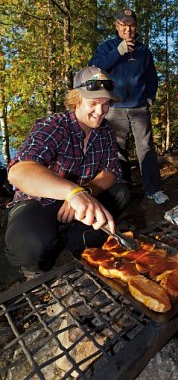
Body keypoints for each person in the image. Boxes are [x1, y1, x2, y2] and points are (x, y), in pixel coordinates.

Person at [5, 66, 131, 275]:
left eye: (106, 103)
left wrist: (85, 192)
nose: (100, 112)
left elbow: (111, 171)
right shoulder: (54, 125)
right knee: (29, 247)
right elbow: (18, 172)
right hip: (38, 201)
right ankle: (37, 259)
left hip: (77, 201)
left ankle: (69, 239)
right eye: (93, 103)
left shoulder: (105, 130)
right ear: (76, 99)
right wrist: (71, 192)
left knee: (121, 193)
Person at [90, 8, 169, 205]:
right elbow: (94, 69)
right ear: (116, 26)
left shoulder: (143, 51)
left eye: (131, 25)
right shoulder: (107, 47)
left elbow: (152, 78)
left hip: (139, 109)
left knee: (146, 149)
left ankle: (153, 189)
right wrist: (119, 51)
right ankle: (123, 188)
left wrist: (149, 97)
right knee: (118, 150)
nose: (128, 29)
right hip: (114, 108)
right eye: (124, 25)